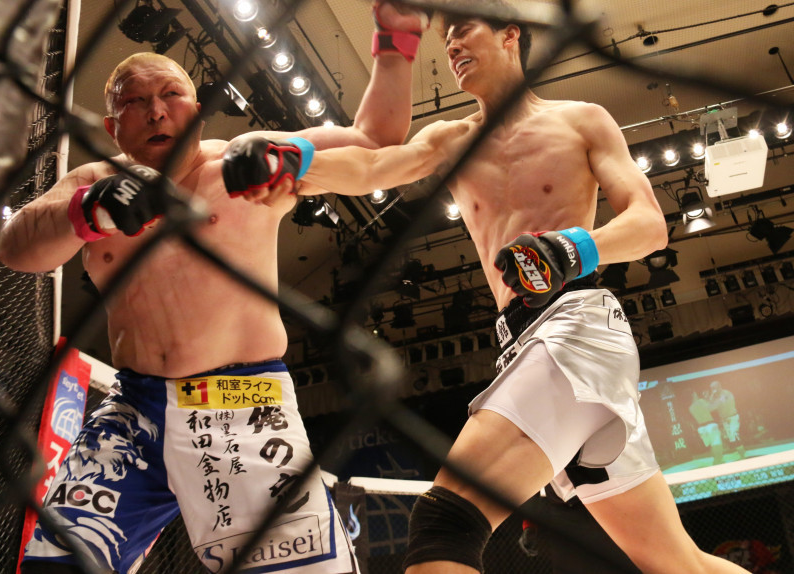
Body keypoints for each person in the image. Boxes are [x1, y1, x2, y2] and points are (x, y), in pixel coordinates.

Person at [220, 4, 752, 573]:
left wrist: (573, 249)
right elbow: (373, 168)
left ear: (509, 35)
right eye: (445, 41)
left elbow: (648, 225)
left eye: (462, 32)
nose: (450, 47)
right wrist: (293, 162)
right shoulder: (451, 139)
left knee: (446, 522)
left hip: (576, 327)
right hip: (520, 342)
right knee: (678, 564)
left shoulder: (580, 120)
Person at [0, 3, 428, 573]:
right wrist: (88, 212)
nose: (156, 111)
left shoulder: (244, 163)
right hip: (135, 411)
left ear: (198, 111)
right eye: (134, 101)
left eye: (170, 95)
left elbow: (374, 140)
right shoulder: (91, 183)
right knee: (54, 564)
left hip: (243, 403)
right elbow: (15, 249)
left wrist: (396, 37)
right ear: (111, 128)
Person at [709, 380, 747, 460]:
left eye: (714, 387)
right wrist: (712, 397)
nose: (713, 390)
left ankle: (743, 456)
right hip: (725, 420)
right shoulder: (717, 397)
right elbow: (711, 408)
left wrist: (712, 397)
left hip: (732, 417)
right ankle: (741, 454)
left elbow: (715, 406)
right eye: (711, 388)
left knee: (734, 436)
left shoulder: (726, 394)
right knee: (732, 438)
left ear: (719, 386)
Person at [689, 390, 724, 465]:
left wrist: (708, 400)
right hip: (710, 425)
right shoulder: (700, 401)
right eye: (695, 393)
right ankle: (718, 461)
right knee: (717, 444)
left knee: (712, 445)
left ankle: (716, 460)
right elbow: (711, 408)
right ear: (693, 395)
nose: (696, 394)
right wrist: (720, 400)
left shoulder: (691, 407)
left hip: (702, 428)